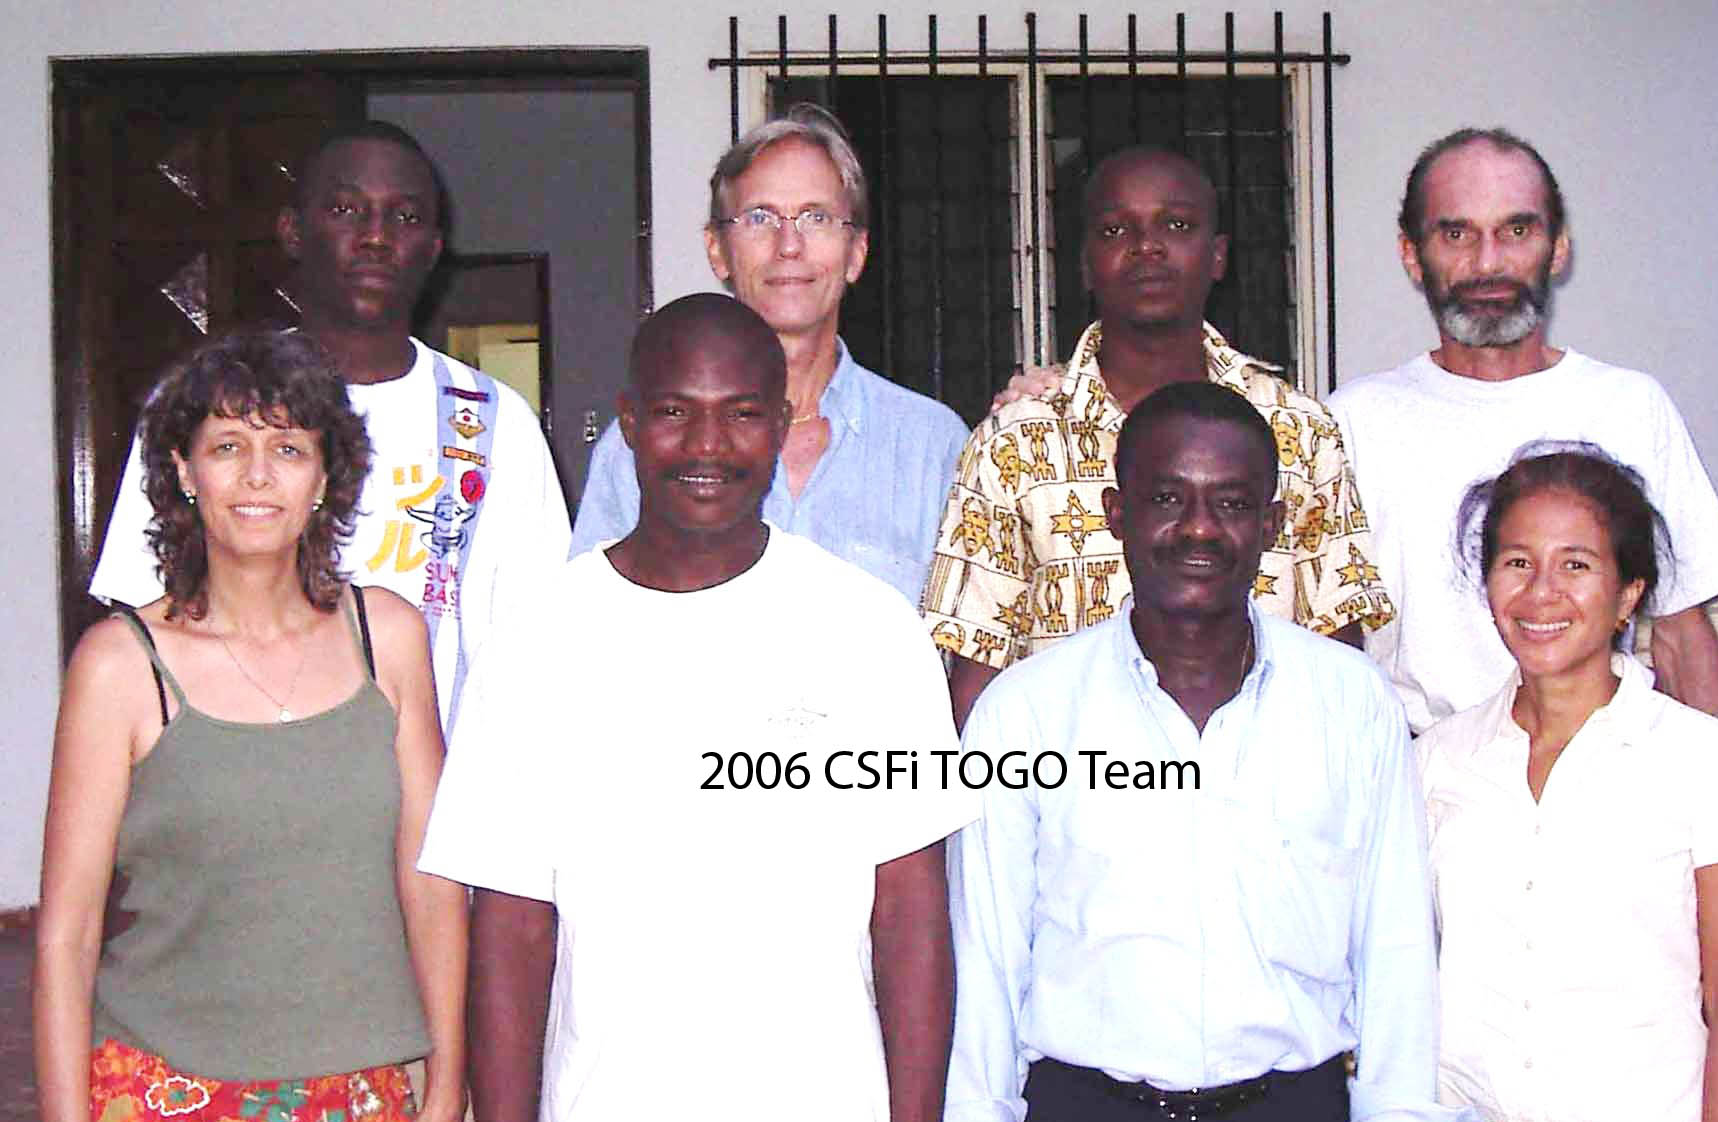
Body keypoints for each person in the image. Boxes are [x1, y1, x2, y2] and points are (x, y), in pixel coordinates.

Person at [419, 294, 977, 1122]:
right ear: (630, 423)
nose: (708, 446)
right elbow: (508, 931)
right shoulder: (540, 637)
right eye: (676, 413)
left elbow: (913, 916)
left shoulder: (867, 628)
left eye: (742, 414)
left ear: (781, 423)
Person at [943, 381, 1454, 1122]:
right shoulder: (1027, 714)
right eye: (1167, 498)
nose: (1199, 529)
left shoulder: (1351, 704)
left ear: (1272, 524)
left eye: (1231, 502)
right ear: (1117, 514)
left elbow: (1396, 952)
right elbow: (985, 961)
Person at [23, 328, 465, 1122]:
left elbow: (434, 884)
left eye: (288, 447)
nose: (258, 475)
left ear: (325, 476)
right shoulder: (120, 666)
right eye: (228, 446)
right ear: (185, 472)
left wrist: (443, 1109)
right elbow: (66, 936)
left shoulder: (388, 639)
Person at [1415, 446, 1718, 1122]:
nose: (1541, 594)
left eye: (1576, 565)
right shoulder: (1437, 761)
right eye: (1516, 563)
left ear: (1628, 595)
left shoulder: (1705, 760)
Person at [90, 119, 572, 734]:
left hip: (447, 779)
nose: (375, 237)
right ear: (293, 230)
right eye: (346, 209)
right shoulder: (205, 404)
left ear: (432, 248)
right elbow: (140, 621)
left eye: (404, 217)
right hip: (245, 763)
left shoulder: (493, 421)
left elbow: (539, 639)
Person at [923, 145, 1393, 726]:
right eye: (1115, 230)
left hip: (1268, 772)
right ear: (1086, 264)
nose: (1146, 247)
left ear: (1217, 256)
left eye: (1177, 225)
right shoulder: (1014, 444)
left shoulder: (1300, 430)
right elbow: (977, 679)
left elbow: (1339, 655)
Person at [1327, 127, 1718, 732]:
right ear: (1411, 255)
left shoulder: (1629, 407)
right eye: (1456, 234)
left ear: (1558, 249)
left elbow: (1681, 632)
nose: (1488, 263)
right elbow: (1328, 649)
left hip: (1605, 760)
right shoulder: (1353, 422)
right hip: (1420, 768)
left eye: (1517, 231)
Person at [569, 104, 969, 608]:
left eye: (816, 217)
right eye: (760, 217)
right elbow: (590, 621)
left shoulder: (932, 447)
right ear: (717, 249)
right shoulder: (641, 448)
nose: (789, 245)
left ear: (857, 252)